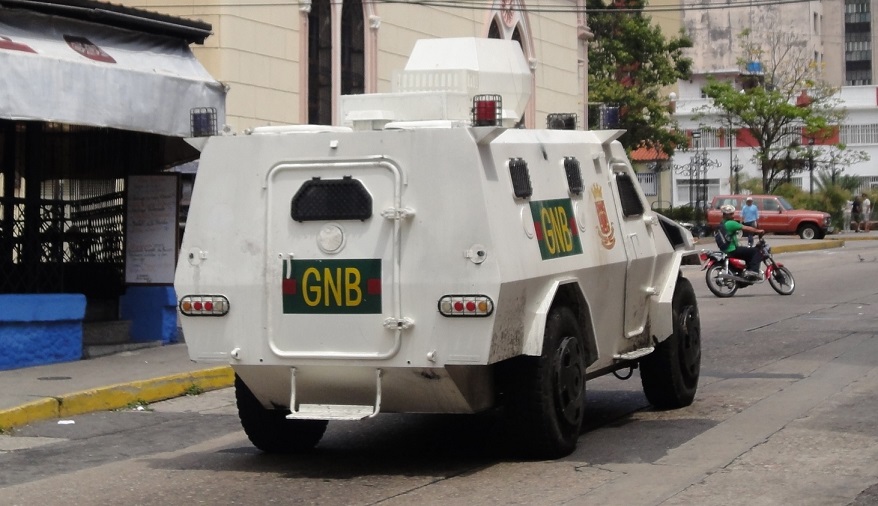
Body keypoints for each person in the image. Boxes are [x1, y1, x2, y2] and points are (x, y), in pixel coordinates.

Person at [719, 204, 765, 279]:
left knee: (748, 254)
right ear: (725, 215)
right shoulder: (730, 223)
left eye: (733, 213)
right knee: (756, 252)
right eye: (731, 214)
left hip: (725, 250)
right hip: (732, 250)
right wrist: (759, 231)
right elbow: (746, 228)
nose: (733, 216)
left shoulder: (722, 223)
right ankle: (753, 271)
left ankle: (747, 274)